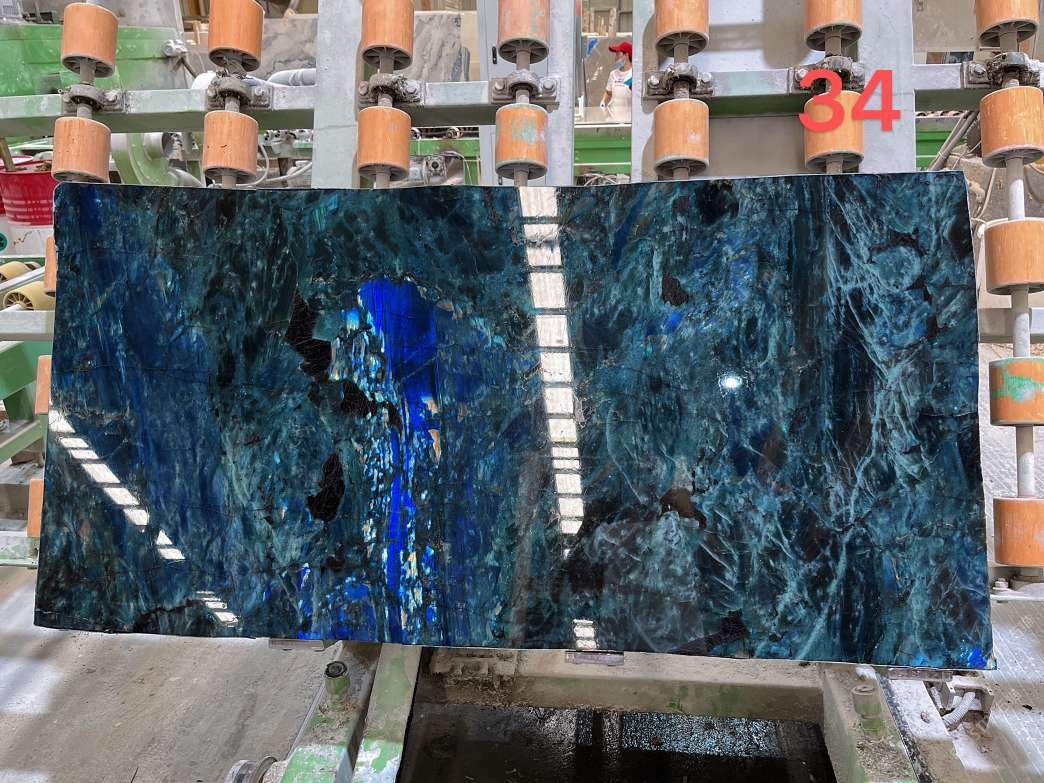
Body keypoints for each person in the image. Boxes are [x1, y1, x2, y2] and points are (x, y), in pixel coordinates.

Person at [600, 40, 633, 122]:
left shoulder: (634, 74)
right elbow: (608, 92)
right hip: (613, 118)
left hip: (629, 119)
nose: (615, 58)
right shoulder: (613, 74)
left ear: (626, 55)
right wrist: (603, 103)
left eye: (618, 54)